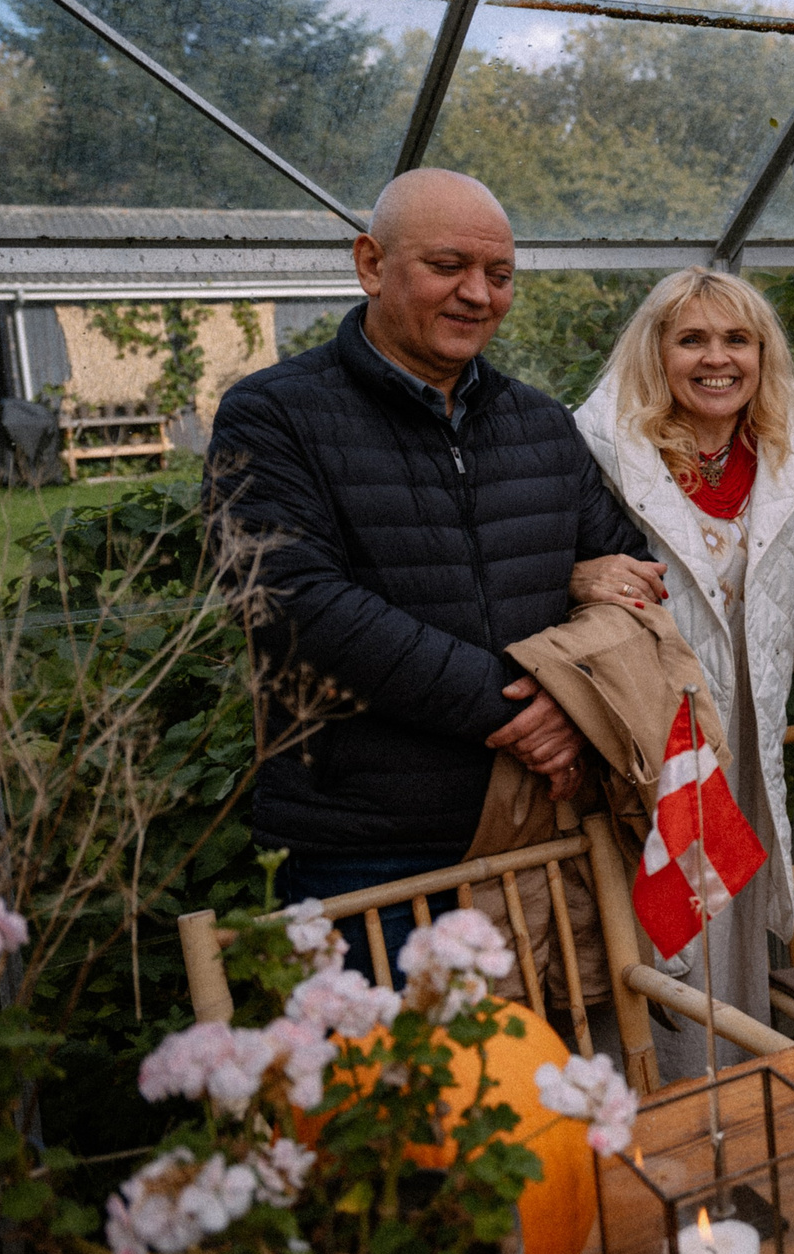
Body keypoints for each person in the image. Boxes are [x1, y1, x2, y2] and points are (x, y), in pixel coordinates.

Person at [207, 169, 650, 964]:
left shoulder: (542, 426)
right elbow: (296, 604)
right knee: (386, 1081)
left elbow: (631, 576)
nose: (478, 294)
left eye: (500, 274)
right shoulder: (274, 414)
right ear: (371, 263)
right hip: (369, 846)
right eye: (448, 266)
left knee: (537, 1073)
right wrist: (527, 710)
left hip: (532, 833)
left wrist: (573, 681)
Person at [570, 268, 794, 1024]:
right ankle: (677, 1119)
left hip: (744, 742)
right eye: (691, 338)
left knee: (731, 941)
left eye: (737, 339)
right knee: (662, 947)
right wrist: (577, 575)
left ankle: (742, 1111)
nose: (715, 357)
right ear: (656, 352)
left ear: (763, 353)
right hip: (652, 748)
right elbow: (551, 580)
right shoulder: (602, 450)